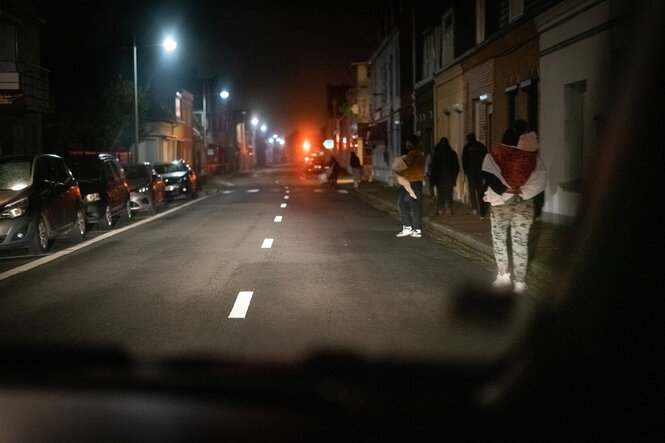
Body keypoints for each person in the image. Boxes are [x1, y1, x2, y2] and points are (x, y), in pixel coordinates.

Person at [482, 119, 547, 294]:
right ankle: (520, 281)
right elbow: (541, 178)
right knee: (521, 241)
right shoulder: (532, 158)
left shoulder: (497, 154)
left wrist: (504, 189)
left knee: (499, 239)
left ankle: (503, 276)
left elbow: (488, 173)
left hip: (501, 202)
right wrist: (523, 191)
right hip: (524, 203)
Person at [392, 134, 426, 238]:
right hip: (415, 181)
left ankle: (408, 227)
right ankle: (416, 228)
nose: (407, 144)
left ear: (412, 143)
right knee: (414, 205)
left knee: (402, 204)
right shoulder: (420, 154)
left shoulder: (412, 154)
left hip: (411, 182)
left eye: (408, 142)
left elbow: (404, 167)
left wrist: (398, 166)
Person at [429, 137, 460, 215]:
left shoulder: (437, 154)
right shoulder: (452, 153)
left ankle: (440, 208)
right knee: (449, 193)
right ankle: (448, 208)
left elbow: (434, 168)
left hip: (439, 178)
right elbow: (456, 167)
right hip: (449, 178)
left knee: (440, 193)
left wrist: (433, 180)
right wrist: (453, 176)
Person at [462, 133, 488, 219]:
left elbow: (464, 160)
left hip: (471, 172)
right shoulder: (481, 146)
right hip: (480, 172)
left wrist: (466, 171)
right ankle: (482, 208)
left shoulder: (466, 147)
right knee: (480, 190)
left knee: (472, 191)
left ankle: (475, 208)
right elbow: (486, 157)